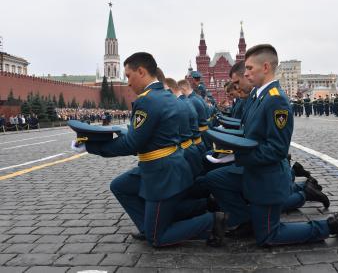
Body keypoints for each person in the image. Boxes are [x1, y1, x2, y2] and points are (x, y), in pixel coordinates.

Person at [71, 52, 226, 247]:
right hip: (165, 164)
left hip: (161, 173)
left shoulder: (148, 100)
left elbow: (132, 144)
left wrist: (91, 145)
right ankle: (149, 226)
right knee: (120, 186)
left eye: (128, 76)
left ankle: (211, 222)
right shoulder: (166, 96)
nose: (127, 82)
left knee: (158, 238)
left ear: (142, 71)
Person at [198, 44, 338, 247]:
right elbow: (249, 134)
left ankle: (327, 226)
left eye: (249, 68)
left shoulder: (275, 100)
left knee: (268, 236)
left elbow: (276, 150)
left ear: (265, 67)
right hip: (254, 172)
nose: (246, 73)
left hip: (267, 179)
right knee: (216, 179)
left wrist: (236, 157)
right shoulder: (260, 97)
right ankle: (246, 218)